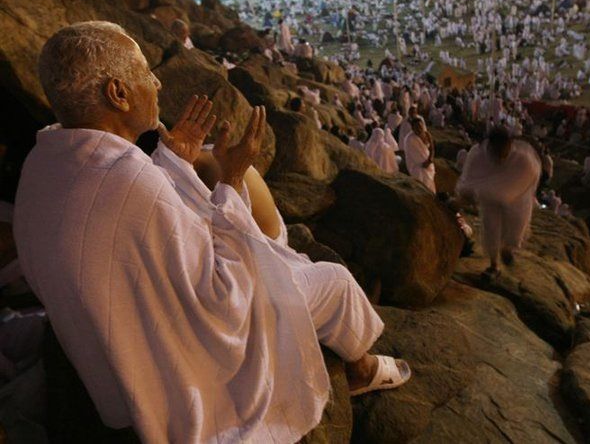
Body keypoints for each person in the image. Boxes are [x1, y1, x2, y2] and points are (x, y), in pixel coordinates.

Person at [13, 22, 410, 443]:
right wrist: (233, 178)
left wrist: (176, 160)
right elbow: (225, 295)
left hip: (108, 361)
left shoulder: (43, 165)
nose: (156, 81)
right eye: (144, 73)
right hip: (177, 361)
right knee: (333, 281)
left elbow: (140, 226)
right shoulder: (130, 181)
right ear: (118, 94)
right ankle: (363, 369)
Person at [456, 127, 541, 274]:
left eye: (504, 149)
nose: (501, 155)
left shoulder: (523, 158)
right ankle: (494, 265)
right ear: (490, 145)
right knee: (491, 229)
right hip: (489, 200)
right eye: (497, 150)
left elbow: (530, 176)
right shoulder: (479, 154)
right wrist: (467, 196)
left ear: (510, 143)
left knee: (516, 226)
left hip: (517, 200)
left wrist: (505, 192)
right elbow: (469, 180)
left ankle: (508, 248)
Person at [403, 117, 436, 193]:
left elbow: (432, 148)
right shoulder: (410, 139)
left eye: (420, 127)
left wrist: (430, 160)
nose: (419, 129)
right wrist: (422, 163)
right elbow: (413, 156)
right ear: (412, 128)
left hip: (429, 164)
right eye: (416, 127)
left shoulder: (427, 134)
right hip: (416, 166)